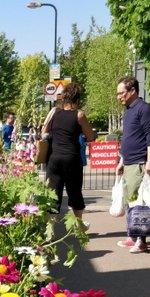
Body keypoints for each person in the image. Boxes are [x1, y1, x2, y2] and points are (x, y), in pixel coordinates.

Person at [41, 82, 95, 227]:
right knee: (75, 192)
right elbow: (90, 136)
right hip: (72, 159)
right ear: (77, 99)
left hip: (54, 158)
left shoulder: (53, 112)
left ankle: (50, 230)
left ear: (63, 97)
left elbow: (43, 132)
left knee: (53, 193)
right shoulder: (79, 115)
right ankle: (79, 225)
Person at [115, 75, 150, 254]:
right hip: (129, 162)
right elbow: (128, 137)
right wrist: (122, 160)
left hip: (139, 162)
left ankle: (141, 240)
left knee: (138, 202)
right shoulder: (129, 109)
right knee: (129, 200)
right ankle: (132, 236)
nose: (119, 96)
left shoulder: (143, 108)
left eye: (121, 93)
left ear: (132, 90)